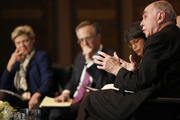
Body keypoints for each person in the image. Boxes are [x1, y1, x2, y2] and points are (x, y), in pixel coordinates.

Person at [83, 1, 180, 120]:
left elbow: (140, 83)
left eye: (145, 17)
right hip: (166, 102)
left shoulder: (159, 39)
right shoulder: (173, 36)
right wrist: (133, 70)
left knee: (91, 99)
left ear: (160, 16)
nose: (141, 23)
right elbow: (154, 75)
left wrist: (116, 69)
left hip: (156, 105)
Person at [48, 21, 115, 120]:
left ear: (98, 37)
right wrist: (65, 93)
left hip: (91, 102)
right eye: (81, 40)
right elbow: (74, 80)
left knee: (56, 114)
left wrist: (90, 61)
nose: (84, 43)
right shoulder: (79, 57)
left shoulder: (109, 56)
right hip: (72, 99)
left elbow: (103, 85)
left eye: (87, 38)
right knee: (45, 109)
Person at [0, 25, 53, 110]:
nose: (22, 45)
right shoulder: (16, 61)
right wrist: (10, 64)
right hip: (18, 99)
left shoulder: (41, 57)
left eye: (26, 41)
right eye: (18, 43)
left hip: (36, 98)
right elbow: (3, 89)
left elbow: (48, 81)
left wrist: (37, 94)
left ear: (33, 40)